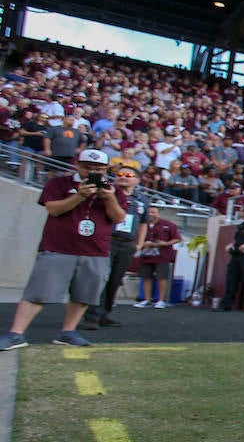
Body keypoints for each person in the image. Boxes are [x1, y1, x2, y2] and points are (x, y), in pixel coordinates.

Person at [1, 149, 127, 351]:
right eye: (88, 168)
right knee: (38, 292)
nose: (93, 172)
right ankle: (16, 333)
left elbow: (119, 218)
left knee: (83, 294)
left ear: (105, 169)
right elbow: (53, 209)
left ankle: (68, 331)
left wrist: (109, 198)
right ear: (78, 165)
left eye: (99, 169)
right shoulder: (58, 183)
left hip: (95, 249)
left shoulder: (113, 190)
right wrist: (79, 196)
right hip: (58, 247)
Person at [82, 166, 146, 329]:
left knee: (115, 280)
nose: (124, 177)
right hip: (107, 239)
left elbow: (144, 223)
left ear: (137, 180)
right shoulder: (107, 191)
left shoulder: (142, 199)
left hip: (127, 242)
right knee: (100, 277)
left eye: (129, 175)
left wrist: (139, 243)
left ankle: (105, 313)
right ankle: (92, 315)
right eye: (120, 174)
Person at [134, 205, 181, 308]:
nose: (151, 214)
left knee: (162, 277)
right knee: (146, 277)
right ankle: (147, 300)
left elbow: (177, 238)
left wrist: (166, 243)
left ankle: (161, 300)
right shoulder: (141, 225)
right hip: (145, 255)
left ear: (158, 214)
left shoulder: (168, 225)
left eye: (153, 212)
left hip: (162, 255)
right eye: (149, 212)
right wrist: (142, 243)